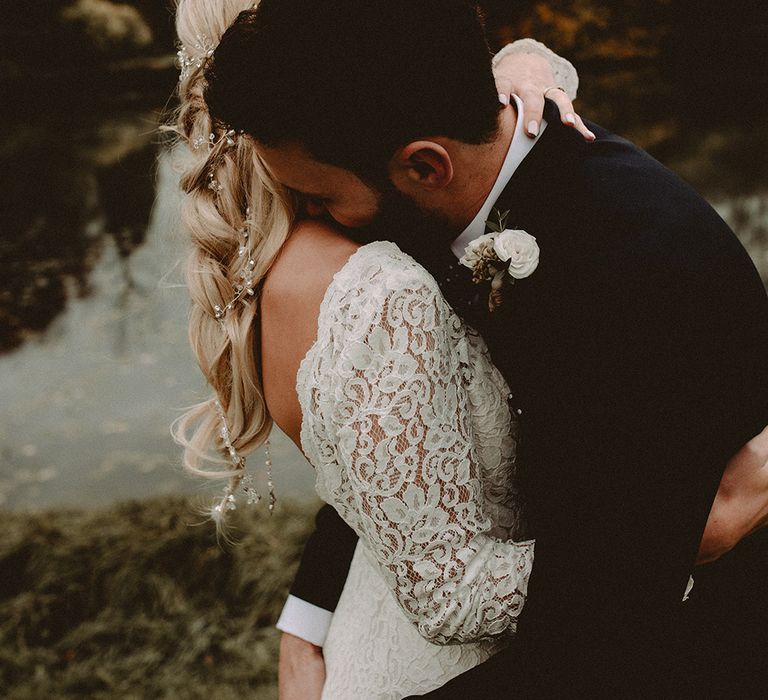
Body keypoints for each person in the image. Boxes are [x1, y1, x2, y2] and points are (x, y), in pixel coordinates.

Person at [198, 1, 768, 697]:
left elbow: (612, 612)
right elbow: (416, 451)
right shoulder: (438, 201)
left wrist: (688, 540)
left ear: (425, 166)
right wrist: (308, 617)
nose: (313, 220)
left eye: (319, 195)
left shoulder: (638, 288)